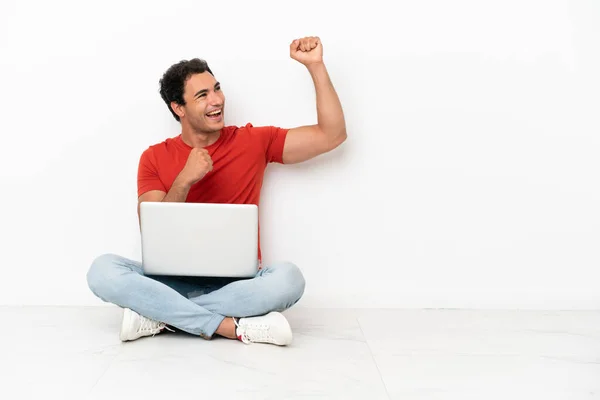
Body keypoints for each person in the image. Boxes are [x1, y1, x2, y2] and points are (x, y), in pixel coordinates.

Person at [86, 36, 347, 346]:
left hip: (239, 284)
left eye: (217, 88)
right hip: (170, 283)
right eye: (202, 95)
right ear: (178, 107)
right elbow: (155, 231)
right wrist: (184, 180)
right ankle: (229, 326)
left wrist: (315, 66)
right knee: (102, 271)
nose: (217, 100)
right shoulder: (154, 157)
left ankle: (162, 317)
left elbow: (332, 135)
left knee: (289, 280)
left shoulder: (253, 141)